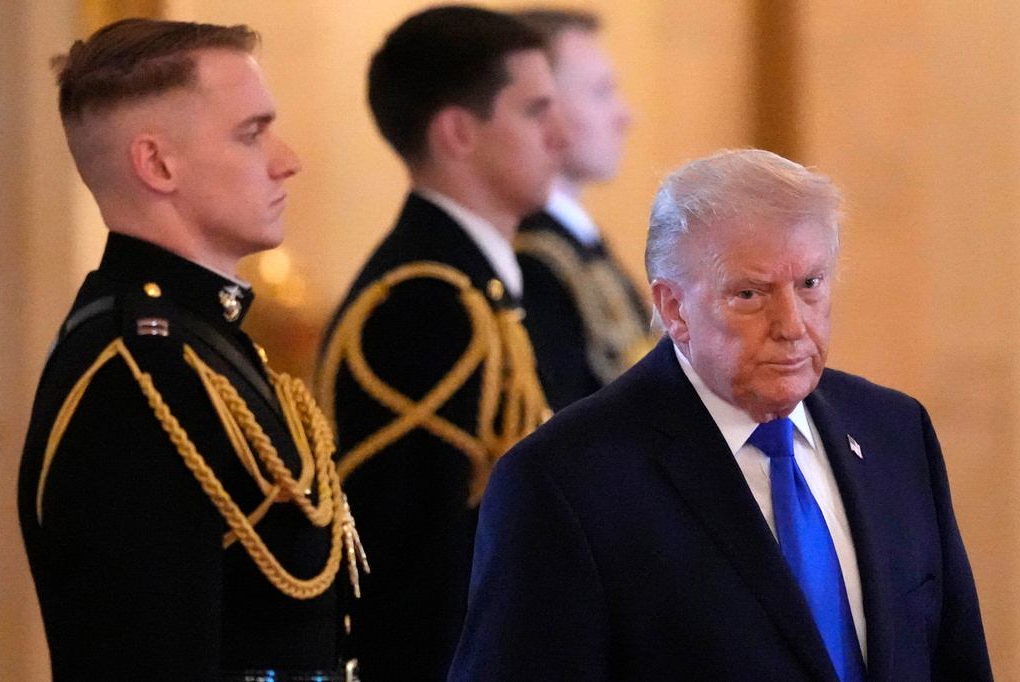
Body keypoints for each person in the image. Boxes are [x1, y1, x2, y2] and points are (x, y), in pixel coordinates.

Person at [450, 149, 993, 681]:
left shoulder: (895, 432)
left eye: (810, 284)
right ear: (673, 308)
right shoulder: (565, 482)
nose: (792, 325)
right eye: (751, 294)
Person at [17, 18, 365, 682]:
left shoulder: (208, 347)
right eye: (251, 133)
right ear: (157, 163)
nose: (286, 158)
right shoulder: (136, 376)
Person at [314, 6, 563, 681]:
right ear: (458, 132)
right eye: (537, 111)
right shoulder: (426, 303)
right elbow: (421, 571)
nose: (560, 136)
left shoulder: (477, 285)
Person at [512, 8, 655, 410]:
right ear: (543, 109)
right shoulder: (537, 260)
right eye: (601, 92)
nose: (625, 116)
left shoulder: (575, 244)